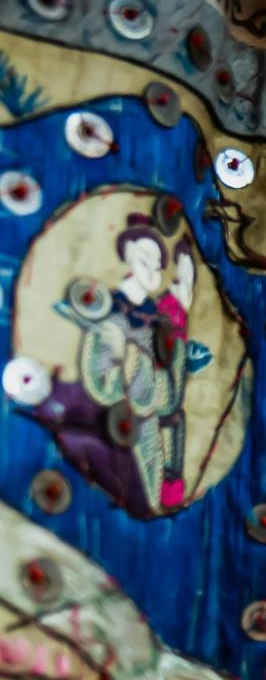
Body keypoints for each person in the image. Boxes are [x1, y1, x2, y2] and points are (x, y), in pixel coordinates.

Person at [67, 214, 200, 512]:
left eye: (157, 261)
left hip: (148, 444)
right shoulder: (110, 318)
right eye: (145, 258)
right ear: (128, 258)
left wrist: (138, 361)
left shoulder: (156, 327)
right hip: (112, 445)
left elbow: (166, 401)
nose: (153, 266)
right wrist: (138, 367)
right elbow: (104, 387)